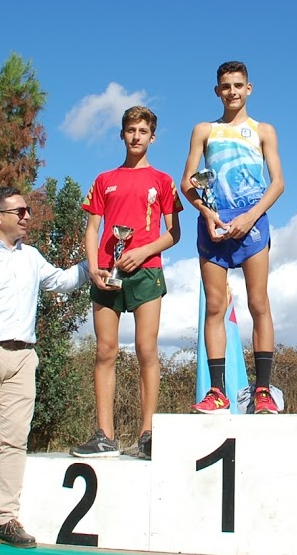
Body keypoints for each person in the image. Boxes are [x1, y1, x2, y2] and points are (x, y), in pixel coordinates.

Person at [71, 106, 183, 459]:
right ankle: (104, 435)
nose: (136, 136)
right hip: (107, 272)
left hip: (147, 271)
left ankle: (148, 434)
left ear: (153, 137)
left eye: (142, 131)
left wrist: (143, 251)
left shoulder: (162, 181)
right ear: (122, 134)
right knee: (105, 350)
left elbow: (174, 233)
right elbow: (92, 228)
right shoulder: (104, 179)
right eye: (131, 130)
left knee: (146, 349)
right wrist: (94, 267)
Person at [180, 61, 284, 414]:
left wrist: (250, 216)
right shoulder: (204, 130)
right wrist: (206, 213)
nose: (232, 92)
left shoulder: (263, 130)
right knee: (214, 306)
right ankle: (217, 391)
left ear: (249, 88)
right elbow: (187, 182)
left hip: (252, 223)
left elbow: (278, 183)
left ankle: (263, 391)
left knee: (259, 303)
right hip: (213, 226)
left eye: (238, 85)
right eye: (226, 86)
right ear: (217, 91)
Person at [0, 186, 89, 547]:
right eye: (19, 211)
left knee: (13, 441)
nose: (26, 217)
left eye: (27, 211)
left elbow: (62, 281)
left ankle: (5, 518)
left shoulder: (33, 257)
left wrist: (96, 260)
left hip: (23, 358)